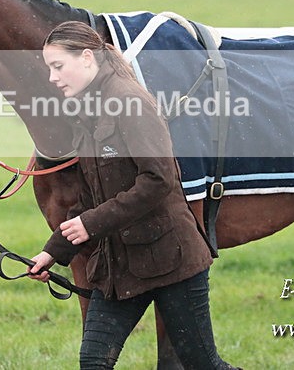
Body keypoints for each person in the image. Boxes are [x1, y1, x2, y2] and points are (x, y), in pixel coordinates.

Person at [29, 21, 238, 369]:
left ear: (85, 58)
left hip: (173, 261)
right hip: (119, 265)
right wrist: (53, 251)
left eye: (57, 66)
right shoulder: (85, 109)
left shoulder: (129, 101)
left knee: (203, 365)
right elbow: (91, 196)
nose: (52, 77)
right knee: (94, 361)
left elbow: (159, 180)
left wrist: (91, 224)